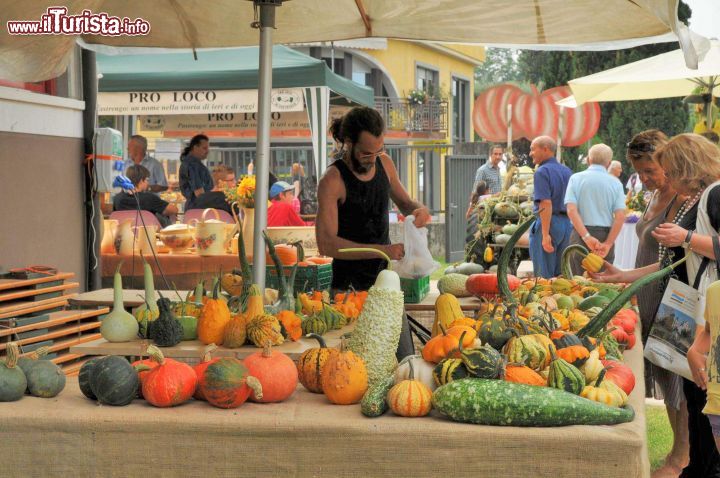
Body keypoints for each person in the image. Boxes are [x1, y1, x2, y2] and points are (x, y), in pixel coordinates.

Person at [592, 133, 720, 478]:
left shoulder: (710, 196)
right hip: (686, 303)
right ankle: (696, 464)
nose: (658, 178)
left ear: (685, 167)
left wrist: (687, 238)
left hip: (697, 306)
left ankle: (694, 462)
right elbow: (669, 260)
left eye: (662, 170)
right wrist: (624, 276)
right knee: (690, 396)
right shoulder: (693, 196)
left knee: (698, 395)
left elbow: (687, 253)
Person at [316, 106, 431, 358]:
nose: (373, 158)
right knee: (359, 365)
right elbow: (326, 244)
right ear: (348, 143)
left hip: (385, 284)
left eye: (379, 150)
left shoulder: (385, 164)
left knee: (405, 360)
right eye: (367, 153)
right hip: (347, 293)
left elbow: (404, 202)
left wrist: (419, 209)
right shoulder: (332, 181)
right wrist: (383, 250)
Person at [624, 130, 689, 477]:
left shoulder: (681, 195)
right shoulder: (654, 196)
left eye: (651, 170)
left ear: (666, 162)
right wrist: (627, 278)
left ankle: (682, 456)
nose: (646, 179)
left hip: (671, 295)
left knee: (677, 378)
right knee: (664, 376)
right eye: (640, 172)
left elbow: (671, 258)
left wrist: (625, 276)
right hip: (649, 294)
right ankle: (679, 452)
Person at [564, 144, 626, 273]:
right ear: (609, 163)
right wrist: (608, 243)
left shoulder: (576, 178)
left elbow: (571, 210)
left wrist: (586, 237)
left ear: (587, 159)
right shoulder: (616, 183)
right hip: (605, 236)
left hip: (580, 235)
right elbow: (620, 217)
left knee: (576, 283)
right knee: (604, 284)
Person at [528, 136, 573, 278]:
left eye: (533, 149)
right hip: (567, 226)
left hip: (549, 224)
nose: (530, 153)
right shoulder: (568, 171)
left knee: (543, 277)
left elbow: (545, 203)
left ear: (545, 149)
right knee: (562, 276)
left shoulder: (542, 172)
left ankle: (544, 301)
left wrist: (545, 234)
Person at [113, 164, 177, 227]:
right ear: (141, 181)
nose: (148, 183)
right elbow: (174, 210)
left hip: (125, 236)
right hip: (148, 236)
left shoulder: (117, 199)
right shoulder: (149, 198)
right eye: (147, 180)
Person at [178, 134, 213, 210]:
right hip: (198, 207)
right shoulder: (193, 165)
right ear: (195, 147)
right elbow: (199, 193)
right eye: (204, 148)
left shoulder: (190, 163)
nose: (207, 151)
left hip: (194, 206)